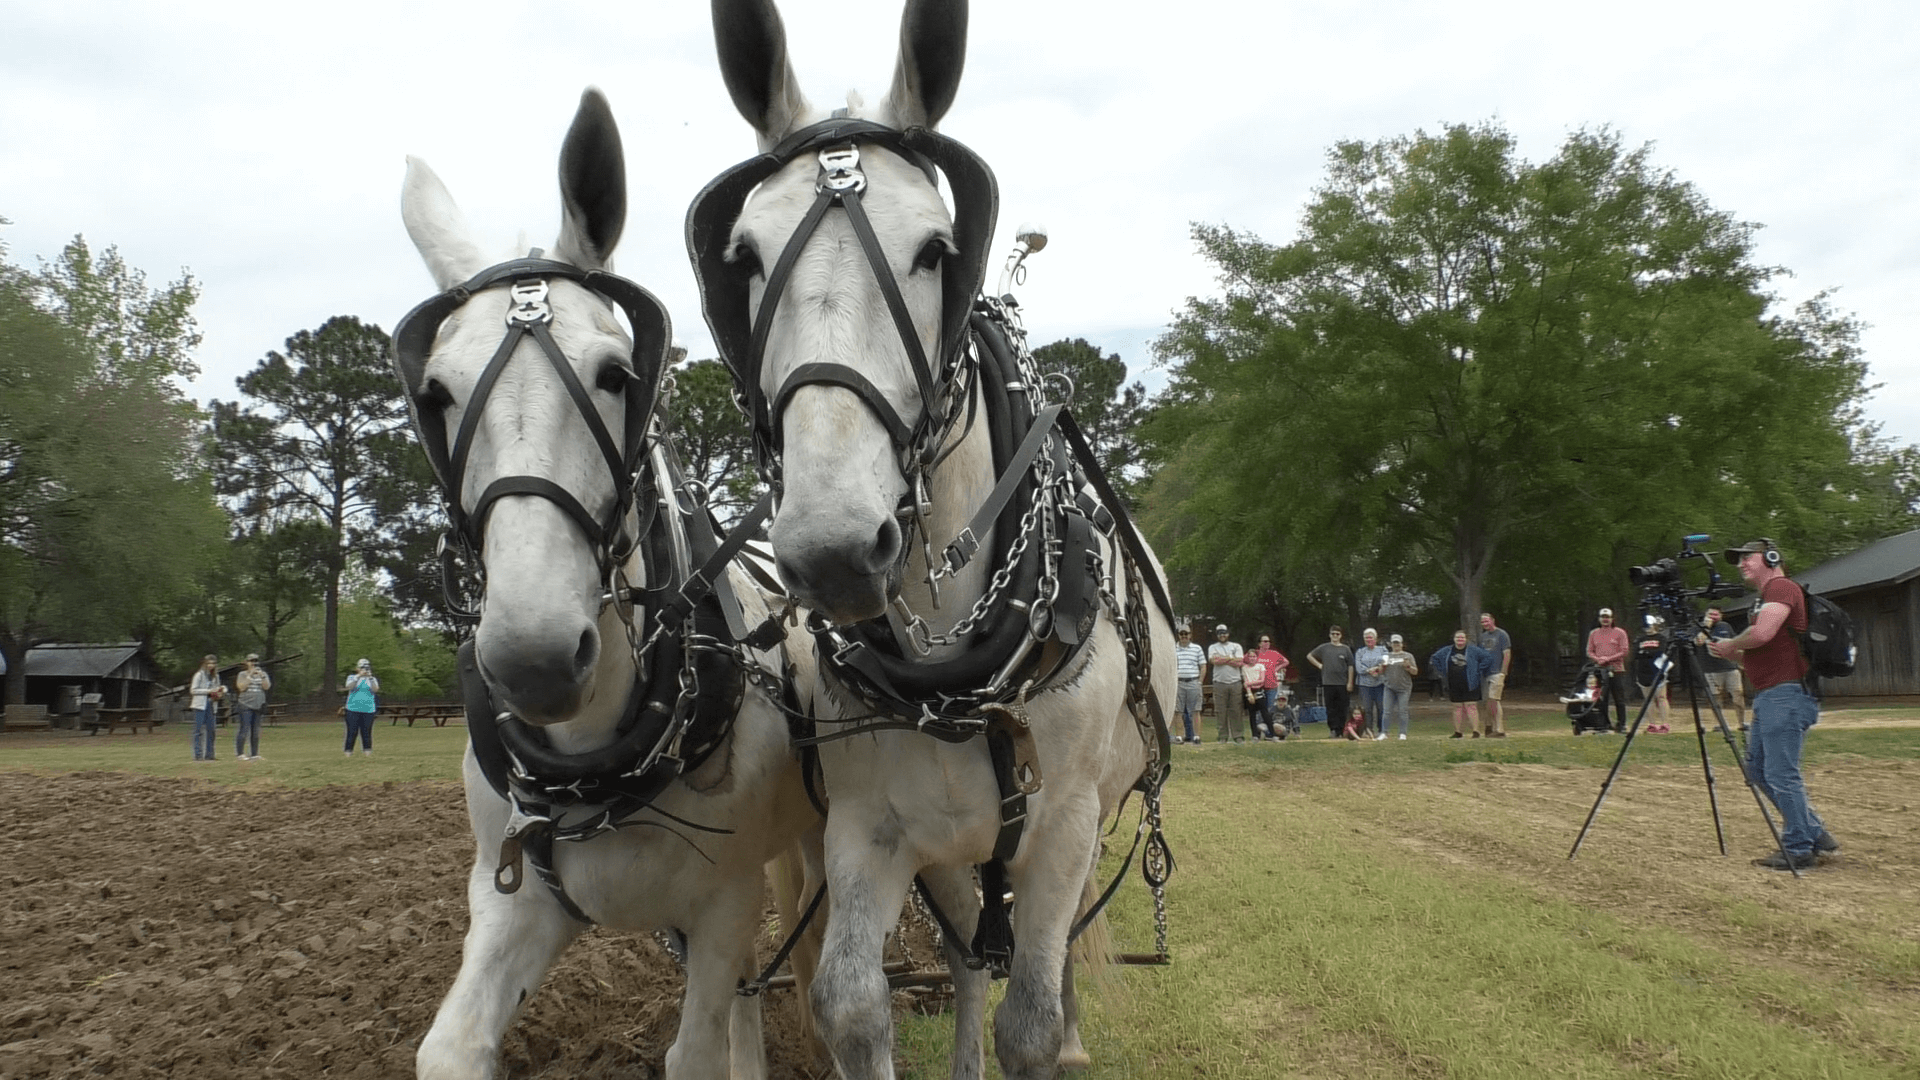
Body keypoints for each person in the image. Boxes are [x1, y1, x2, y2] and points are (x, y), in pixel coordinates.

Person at [1707, 539, 1839, 871]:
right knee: (1759, 772)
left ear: (1770, 557)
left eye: (1745, 557)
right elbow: (1754, 649)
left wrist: (1733, 644)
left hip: (1786, 694)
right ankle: (1814, 832)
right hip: (1770, 695)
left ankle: (1798, 848)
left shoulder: (1781, 587)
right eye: (1737, 560)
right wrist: (1727, 649)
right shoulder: (1764, 598)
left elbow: (1762, 633)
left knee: (1781, 774)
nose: (1740, 564)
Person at [1430, 630, 1497, 738]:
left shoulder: (1473, 650)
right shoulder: (1447, 650)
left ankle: (1475, 731)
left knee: (1471, 706)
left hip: (1470, 682)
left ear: (1466, 639)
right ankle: (1458, 732)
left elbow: (1487, 658)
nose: (1460, 640)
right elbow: (1435, 658)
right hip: (1454, 683)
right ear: (1454, 639)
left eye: (1462, 638)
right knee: (1457, 707)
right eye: (1458, 637)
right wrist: (1442, 670)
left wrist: (1478, 669)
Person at [1697, 606, 1747, 731]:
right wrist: (1706, 628)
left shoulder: (1725, 626)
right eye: (1710, 614)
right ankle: (1720, 724)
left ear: (1721, 616)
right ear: (1705, 615)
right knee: (1716, 697)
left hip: (1730, 667)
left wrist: (1739, 661)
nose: (1713, 617)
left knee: (1738, 694)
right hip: (1711, 669)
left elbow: (1734, 642)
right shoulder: (1698, 627)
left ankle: (1742, 723)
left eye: (1716, 614)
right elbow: (1698, 642)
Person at [1585, 608, 1631, 733]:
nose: (1605, 619)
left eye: (1608, 617)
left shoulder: (1620, 632)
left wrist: (1608, 658)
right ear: (1599, 619)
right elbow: (1589, 651)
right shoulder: (1594, 633)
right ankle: (1604, 724)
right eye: (1603, 617)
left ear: (1612, 619)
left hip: (1616, 669)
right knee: (1601, 698)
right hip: (1600, 670)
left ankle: (1621, 724)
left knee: (1619, 699)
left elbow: (1624, 651)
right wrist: (1598, 659)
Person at [1306, 626, 1355, 739]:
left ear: (1341, 636)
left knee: (1342, 708)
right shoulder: (1324, 648)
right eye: (1333, 634)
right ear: (1329, 635)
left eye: (1337, 634)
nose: (1335, 636)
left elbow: (1351, 666)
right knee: (1331, 708)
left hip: (1342, 683)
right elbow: (1309, 656)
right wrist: (1319, 665)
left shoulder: (1345, 649)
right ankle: (1333, 729)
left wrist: (1350, 682)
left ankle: (1341, 730)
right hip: (1328, 683)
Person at [1207, 624, 1247, 743]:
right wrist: (1230, 658)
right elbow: (1214, 661)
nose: (1222, 635)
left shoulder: (1236, 646)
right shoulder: (1213, 647)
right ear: (1217, 635)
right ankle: (1223, 736)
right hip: (1219, 682)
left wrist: (1222, 659)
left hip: (1235, 682)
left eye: (1224, 632)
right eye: (1220, 633)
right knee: (1220, 711)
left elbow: (1240, 662)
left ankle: (1238, 736)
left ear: (1228, 633)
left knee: (1236, 710)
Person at [1244, 634, 1287, 740]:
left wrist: (1276, 669)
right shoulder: (1255, 653)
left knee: (1268, 710)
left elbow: (1286, 662)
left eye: (1268, 641)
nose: (1267, 643)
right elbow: (1243, 661)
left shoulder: (1274, 654)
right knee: (1257, 712)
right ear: (1259, 643)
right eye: (1264, 641)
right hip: (1257, 687)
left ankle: (1269, 733)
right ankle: (1257, 733)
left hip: (1271, 685)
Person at [1636, 614, 1674, 733]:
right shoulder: (1640, 639)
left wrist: (1646, 652)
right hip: (1643, 671)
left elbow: (1660, 651)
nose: (1648, 628)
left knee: (1661, 697)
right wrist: (1647, 653)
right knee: (1648, 699)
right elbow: (1636, 653)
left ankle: (1664, 724)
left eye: (1650, 625)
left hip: (1657, 670)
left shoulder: (1661, 638)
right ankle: (1652, 724)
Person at [1478, 612, 1512, 737]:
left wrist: (1503, 671)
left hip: (1497, 672)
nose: (1485, 624)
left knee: (1494, 699)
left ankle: (1499, 729)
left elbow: (1507, 653)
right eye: (1482, 622)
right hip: (1485, 673)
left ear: (1493, 620)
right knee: (1489, 701)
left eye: (1487, 621)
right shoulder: (1482, 637)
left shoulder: (1501, 634)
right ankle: (1489, 726)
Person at [233, 654, 272, 761]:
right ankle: (240, 753)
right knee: (244, 729)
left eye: (255, 661)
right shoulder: (242, 674)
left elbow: (267, 687)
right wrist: (250, 675)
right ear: (247, 662)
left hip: (258, 705)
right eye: (251, 661)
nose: (253, 663)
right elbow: (241, 687)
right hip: (245, 704)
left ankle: (254, 754)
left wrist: (262, 676)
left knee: (255, 731)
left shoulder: (263, 674)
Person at [1379, 634, 1419, 740]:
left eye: (1398, 643)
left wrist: (1408, 666)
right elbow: (1380, 672)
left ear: (1402, 644)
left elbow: (1415, 672)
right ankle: (1384, 732)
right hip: (1389, 686)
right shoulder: (1386, 656)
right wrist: (1382, 666)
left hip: (1404, 687)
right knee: (1386, 710)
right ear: (1391, 644)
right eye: (1394, 643)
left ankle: (1402, 733)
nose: (1396, 645)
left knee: (1403, 710)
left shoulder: (1408, 656)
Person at [1353, 628, 1390, 741]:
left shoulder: (1383, 649)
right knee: (1367, 709)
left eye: (1371, 637)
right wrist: (1370, 670)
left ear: (1376, 638)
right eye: (1366, 638)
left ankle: (1382, 731)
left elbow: (1386, 662)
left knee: (1381, 708)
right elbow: (1359, 668)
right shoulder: (1360, 652)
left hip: (1380, 684)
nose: (1369, 639)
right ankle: (1368, 730)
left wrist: (1378, 669)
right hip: (1365, 685)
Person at [188, 655, 225, 762]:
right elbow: (193, 690)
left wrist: (220, 691)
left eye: (213, 663)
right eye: (209, 663)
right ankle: (198, 755)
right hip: (200, 705)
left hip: (211, 705)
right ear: (205, 663)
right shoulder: (199, 675)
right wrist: (208, 691)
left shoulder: (216, 676)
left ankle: (210, 755)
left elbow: (217, 687)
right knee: (198, 730)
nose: (211, 666)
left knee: (211, 730)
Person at [1173, 627, 1206, 745]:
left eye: (1186, 634)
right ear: (1178, 635)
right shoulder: (1173, 649)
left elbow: (1203, 666)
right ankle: (1179, 737)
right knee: (1178, 711)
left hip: (1193, 682)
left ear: (1190, 635)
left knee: (1196, 710)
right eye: (1181, 634)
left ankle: (1196, 736)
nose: (1184, 636)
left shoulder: (1197, 648)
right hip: (1178, 682)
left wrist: (1200, 682)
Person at [344, 658, 379, 757]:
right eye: (362, 667)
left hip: (368, 709)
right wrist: (358, 676)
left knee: (366, 731)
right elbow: (349, 686)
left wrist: (370, 677)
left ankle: (367, 751)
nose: (364, 670)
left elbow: (375, 689)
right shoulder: (352, 677)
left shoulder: (372, 679)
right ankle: (348, 751)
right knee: (352, 731)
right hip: (352, 709)